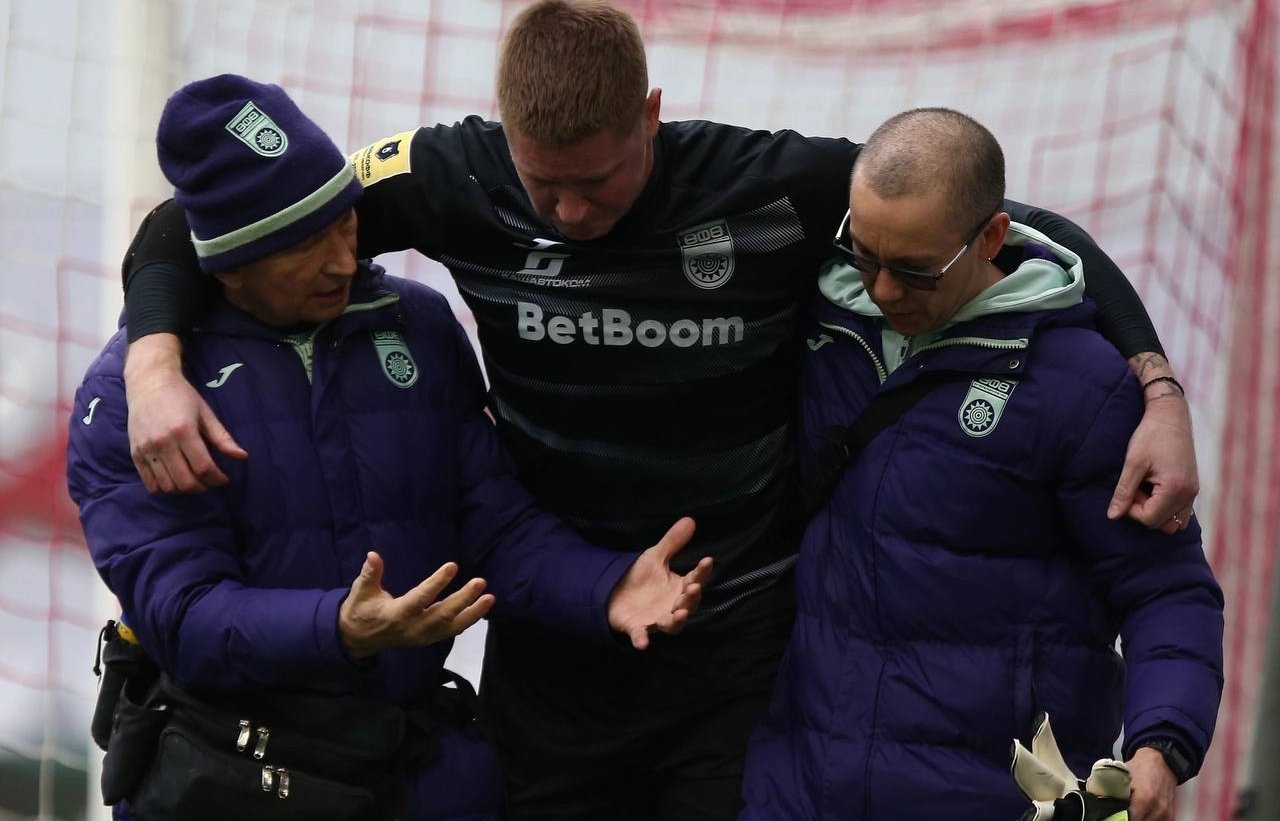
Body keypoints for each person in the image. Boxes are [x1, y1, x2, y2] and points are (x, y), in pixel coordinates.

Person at [115, 3, 1199, 819]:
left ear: (650, 116)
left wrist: (1156, 385)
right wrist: (153, 362)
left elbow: (1017, 231)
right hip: (552, 641)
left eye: (598, 180)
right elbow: (209, 220)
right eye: (544, 185)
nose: (571, 211)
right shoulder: (451, 176)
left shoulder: (767, 185)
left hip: (733, 650)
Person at [66, 73, 711, 821]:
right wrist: (336, 629)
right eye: (305, 244)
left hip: (424, 778)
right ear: (229, 262)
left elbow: (494, 522)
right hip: (234, 782)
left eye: (345, 225)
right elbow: (183, 617)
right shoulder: (140, 403)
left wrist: (604, 587)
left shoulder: (416, 325)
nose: (344, 261)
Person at [738, 108, 1224, 821]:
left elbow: (1167, 589)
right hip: (799, 789)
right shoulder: (820, 323)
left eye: (915, 270)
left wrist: (1161, 745)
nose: (883, 290)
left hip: (990, 798)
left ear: (992, 237)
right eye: (864, 255)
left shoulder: (1082, 385)